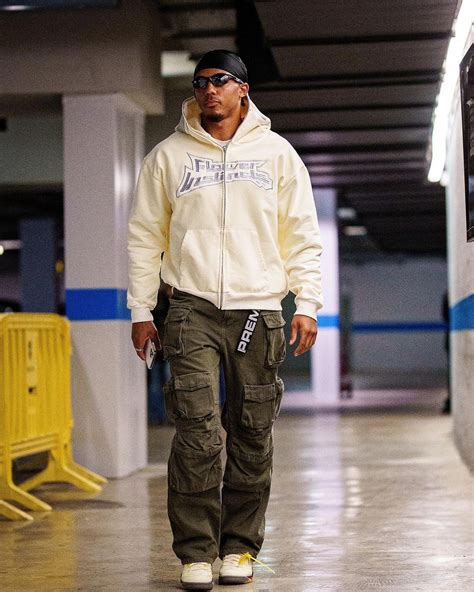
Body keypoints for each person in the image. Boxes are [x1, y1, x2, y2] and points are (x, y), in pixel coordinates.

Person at [127, 49, 323, 591]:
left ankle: (238, 548)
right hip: (189, 307)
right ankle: (195, 552)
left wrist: (307, 303)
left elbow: (301, 233)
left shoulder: (277, 155)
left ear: (243, 89)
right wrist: (141, 310)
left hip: (259, 309)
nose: (208, 90)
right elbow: (144, 237)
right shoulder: (167, 157)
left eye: (220, 80)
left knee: (252, 431)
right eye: (200, 83)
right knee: (195, 430)